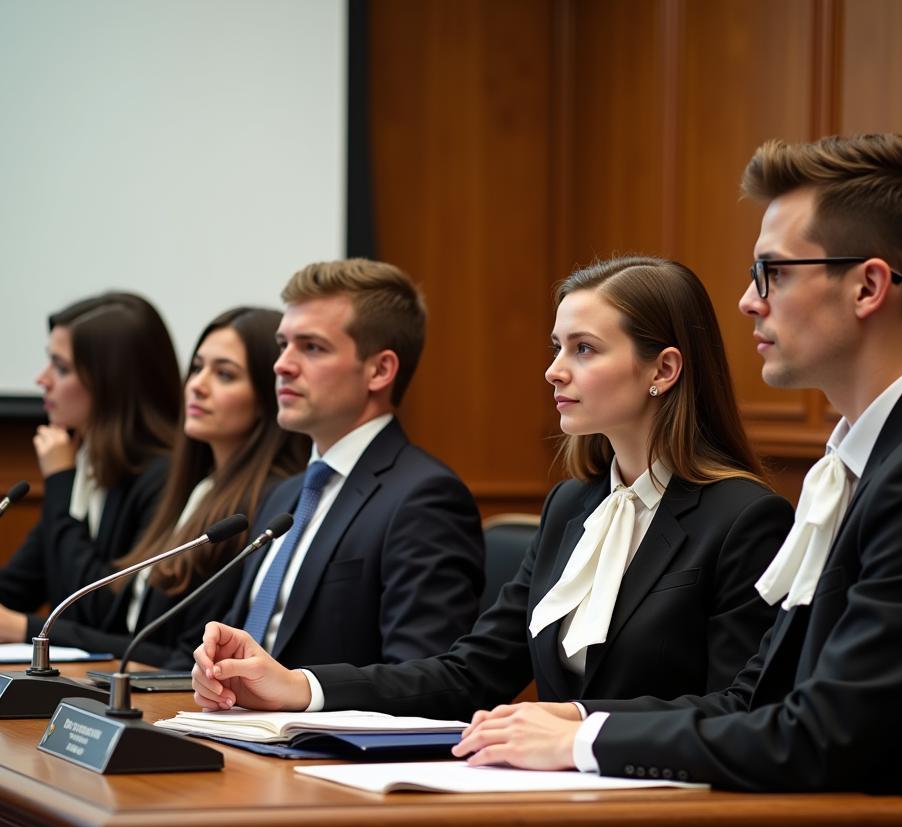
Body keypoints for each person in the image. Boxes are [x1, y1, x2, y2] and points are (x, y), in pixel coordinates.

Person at [455, 135, 902, 827]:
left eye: (772, 273)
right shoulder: (873, 461)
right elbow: (756, 700)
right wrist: (576, 719)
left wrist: (582, 745)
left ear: (868, 287)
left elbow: (819, 734)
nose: (746, 301)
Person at [191, 255, 793, 718]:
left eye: (584, 349)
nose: (554, 370)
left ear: (662, 369)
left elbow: (741, 708)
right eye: (558, 347)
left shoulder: (744, 517)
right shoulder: (572, 505)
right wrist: (300, 686)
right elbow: (470, 671)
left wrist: (578, 723)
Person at [199, 258, 485, 670]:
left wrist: (299, 695)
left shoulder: (424, 499)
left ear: (380, 370)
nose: (282, 365)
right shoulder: (287, 494)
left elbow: (421, 677)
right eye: (283, 344)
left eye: (311, 347)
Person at [17, 307, 310, 666]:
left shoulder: (260, 506)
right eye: (197, 367)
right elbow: (125, 623)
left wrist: (24, 628)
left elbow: (183, 658)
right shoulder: (194, 487)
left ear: (268, 396)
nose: (197, 385)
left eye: (224, 375)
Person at [0, 292, 180, 635]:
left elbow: (99, 609)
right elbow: (18, 586)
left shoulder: (165, 477)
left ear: (112, 383)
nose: (42, 379)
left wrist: (59, 481)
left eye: (61, 368)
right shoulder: (86, 462)